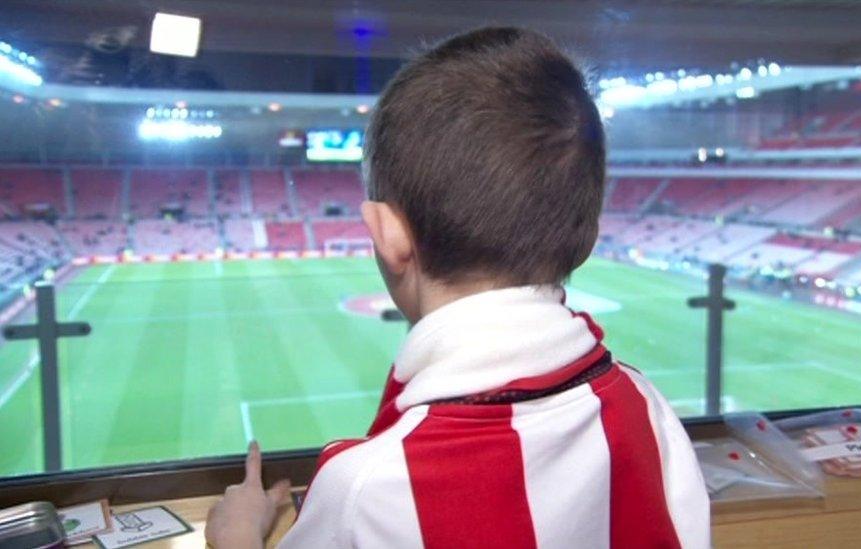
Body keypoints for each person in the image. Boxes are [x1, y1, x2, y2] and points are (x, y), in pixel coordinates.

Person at [206, 27, 709, 548]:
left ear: (388, 235)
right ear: (585, 240)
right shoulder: (647, 408)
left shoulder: (367, 491)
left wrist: (237, 536)